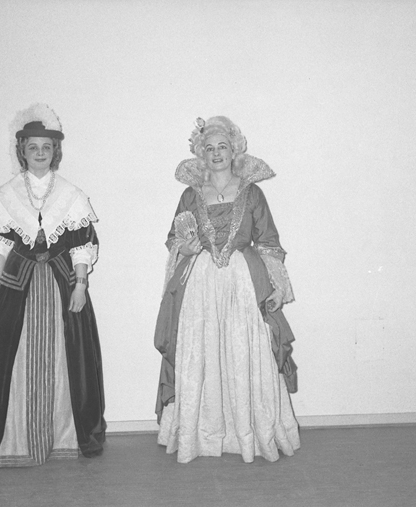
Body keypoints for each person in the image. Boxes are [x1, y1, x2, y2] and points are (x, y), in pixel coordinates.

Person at [0, 104, 106, 470]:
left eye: (46, 147)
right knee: (10, 359)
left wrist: (80, 285)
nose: (40, 153)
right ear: (22, 151)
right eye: (33, 147)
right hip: (19, 287)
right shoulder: (7, 195)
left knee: (66, 357)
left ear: (55, 151)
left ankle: (64, 437)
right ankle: (12, 439)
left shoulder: (71, 195)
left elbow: (81, 246)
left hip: (62, 285)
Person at [154, 116, 300, 463]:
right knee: (200, 351)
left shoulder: (253, 193)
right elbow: (174, 239)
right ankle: (201, 434)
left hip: (243, 282)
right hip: (200, 284)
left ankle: (249, 433)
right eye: (209, 148)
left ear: (234, 151)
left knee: (243, 350)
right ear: (201, 154)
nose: (217, 153)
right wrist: (185, 246)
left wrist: (277, 286)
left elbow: (268, 242)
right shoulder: (190, 195)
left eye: (223, 147)